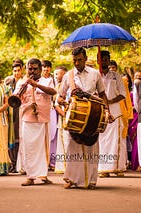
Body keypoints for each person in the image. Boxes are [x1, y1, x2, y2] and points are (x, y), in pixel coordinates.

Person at [57, 47, 112, 189]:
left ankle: (91, 181)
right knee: (72, 147)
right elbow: (60, 97)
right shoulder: (68, 76)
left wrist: (107, 111)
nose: (76, 63)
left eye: (79, 60)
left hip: (93, 115)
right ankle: (72, 179)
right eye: (74, 60)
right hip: (75, 115)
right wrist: (62, 102)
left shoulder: (95, 74)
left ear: (86, 59)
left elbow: (102, 94)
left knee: (91, 148)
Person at [15, 58, 56, 186]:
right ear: (26, 69)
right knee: (29, 149)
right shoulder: (21, 82)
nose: (32, 71)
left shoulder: (47, 80)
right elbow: (15, 98)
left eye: (35, 69)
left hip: (42, 119)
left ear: (40, 69)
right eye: (30, 69)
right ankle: (30, 176)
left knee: (43, 148)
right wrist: (23, 87)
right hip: (27, 118)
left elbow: (53, 92)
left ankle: (43, 175)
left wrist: (36, 84)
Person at [98, 51, 127, 178]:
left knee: (117, 141)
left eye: (106, 59)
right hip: (100, 113)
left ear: (109, 61)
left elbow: (123, 94)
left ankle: (117, 168)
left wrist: (110, 101)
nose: (103, 61)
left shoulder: (116, 76)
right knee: (102, 141)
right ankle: (103, 169)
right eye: (101, 59)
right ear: (97, 61)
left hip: (115, 113)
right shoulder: (95, 76)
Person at [4, 62, 23, 173]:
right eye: (14, 71)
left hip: (20, 110)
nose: (16, 73)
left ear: (22, 70)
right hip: (10, 110)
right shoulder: (8, 82)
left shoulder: (24, 81)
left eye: (18, 70)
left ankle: (18, 163)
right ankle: (12, 162)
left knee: (18, 136)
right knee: (11, 136)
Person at [41, 60, 57, 171]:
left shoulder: (53, 80)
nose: (46, 69)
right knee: (43, 134)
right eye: (44, 67)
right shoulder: (39, 80)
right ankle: (43, 161)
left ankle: (52, 161)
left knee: (53, 134)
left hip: (52, 109)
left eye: (48, 67)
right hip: (42, 109)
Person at [52, 66, 67, 174]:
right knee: (62, 141)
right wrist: (64, 114)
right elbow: (56, 104)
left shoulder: (70, 85)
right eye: (55, 74)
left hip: (69, 114)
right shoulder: (57, 87)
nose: (56, 76)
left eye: (58, 74)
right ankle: (62, 166)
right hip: (63, 116)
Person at [128, 71, 141, 171]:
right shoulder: (129, 94)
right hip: (132, 118)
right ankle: (133, 163)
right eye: (136, 77)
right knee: (133, 141)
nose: (138, 79)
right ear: (133, 79)